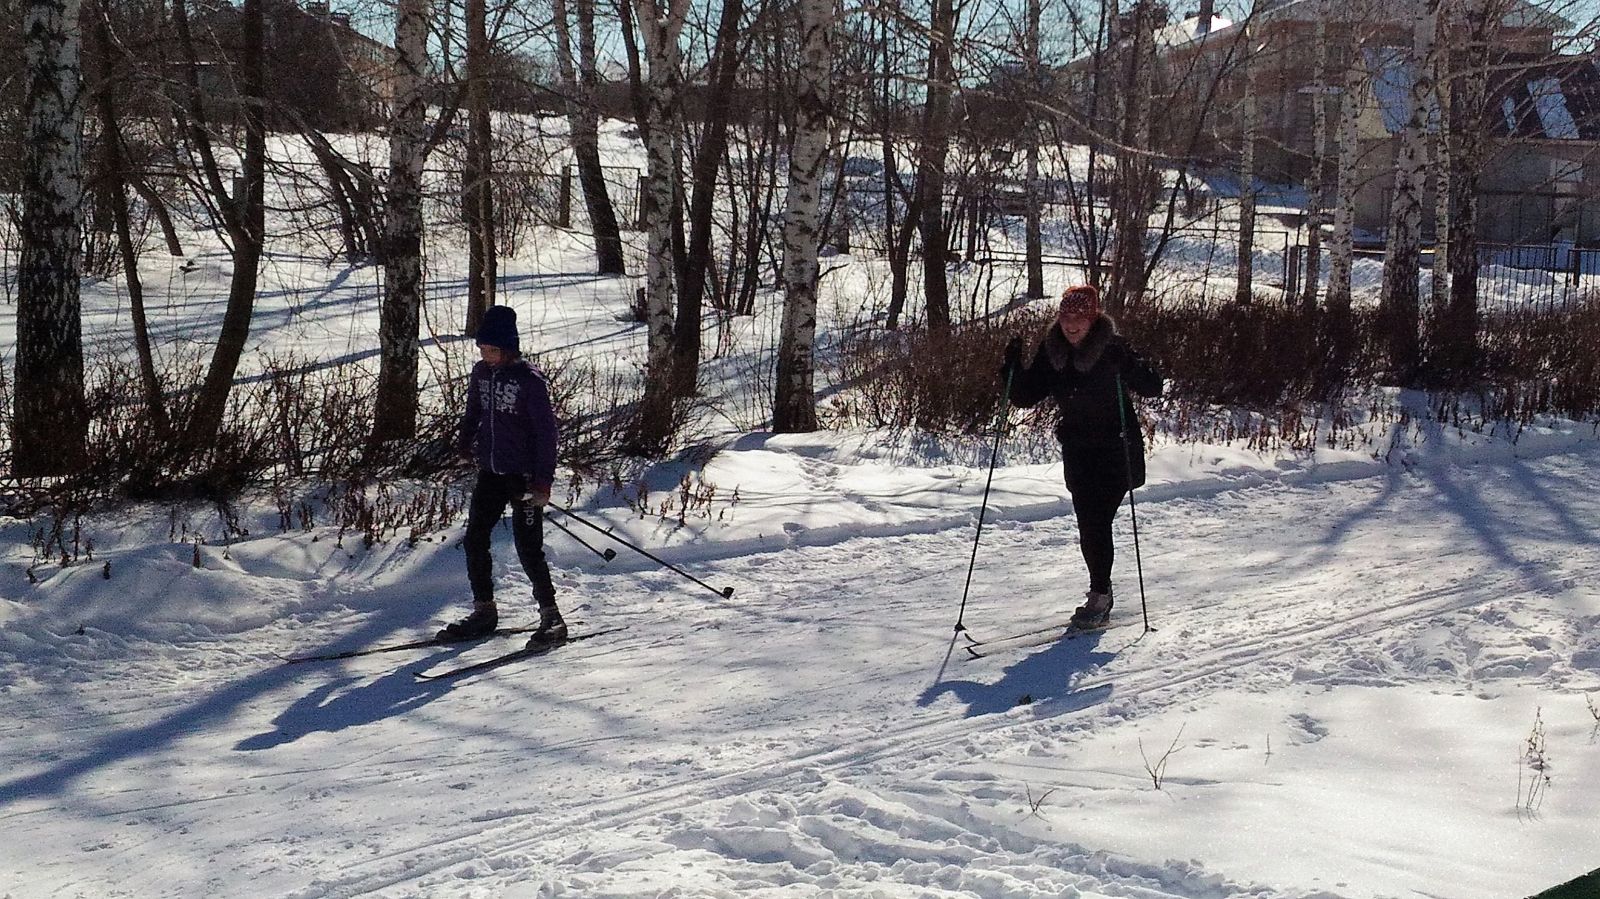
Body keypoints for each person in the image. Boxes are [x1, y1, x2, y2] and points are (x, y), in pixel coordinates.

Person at [1000, 284, 1163, 629]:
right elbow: (1026, 396)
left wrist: (1128, 365)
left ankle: (1100, 595)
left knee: (1095, 521)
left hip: (1116, 449)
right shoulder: (1053, 351)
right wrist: (1011, 368)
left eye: (1079, 318)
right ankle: (1101, 590)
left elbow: (1152, 386)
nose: (1071, 325)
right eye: (1066, 317)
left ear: (1092, 319)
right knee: (1089, 524)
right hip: (1079, 450)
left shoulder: (1113, 347)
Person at [441, 304, 568, 647]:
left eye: (492, 350)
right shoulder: (481, 373)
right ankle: (484, 610)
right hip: (491, 472)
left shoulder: (529, 381)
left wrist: (542, 482)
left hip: (523, 476)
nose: (486, 355)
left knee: (528, 547)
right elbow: (474, 410)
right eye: (482, 349)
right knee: (475, 539)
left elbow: (547, 434)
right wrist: (465, 441)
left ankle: (552, 616)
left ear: (508, 348)